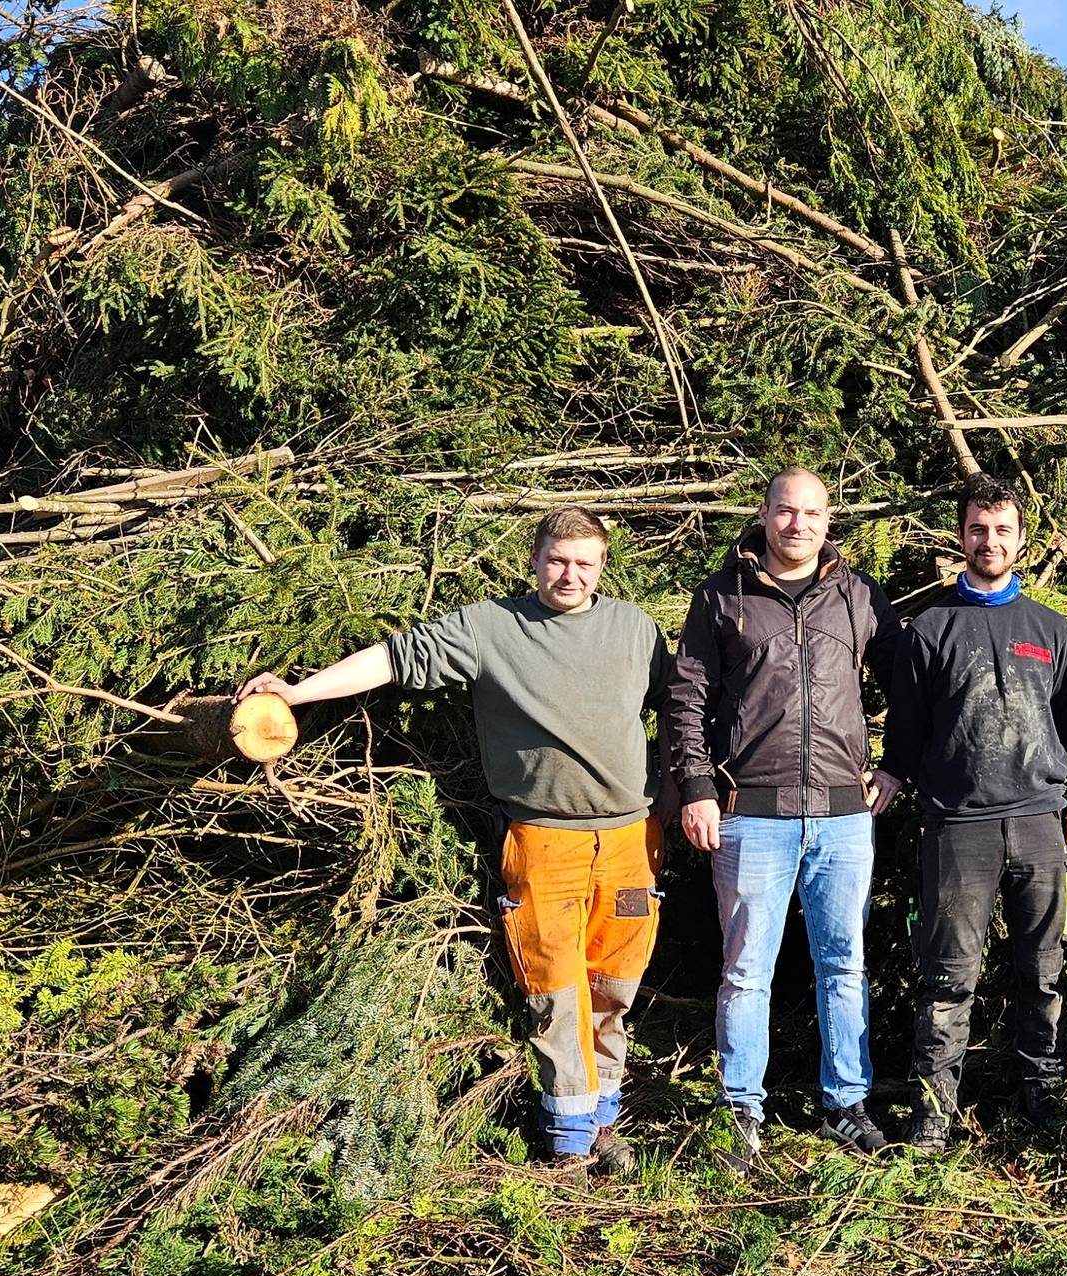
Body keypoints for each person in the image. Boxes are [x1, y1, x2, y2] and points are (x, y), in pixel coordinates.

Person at [236, 506, 669, 1179]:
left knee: (614, 986)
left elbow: (685, 709)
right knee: (555, 990)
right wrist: (297, 693)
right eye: (557, 560)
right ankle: (568, 1142)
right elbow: (394, 659)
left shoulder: (635, 629)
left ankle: (602, 1119)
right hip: (544, 840)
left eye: (585, 564)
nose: (570, 575)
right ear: (534, 560)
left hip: (631, 842)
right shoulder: (491, 627)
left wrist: (682, 792)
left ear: (602, 567)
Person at [664, 467, 904, 1167]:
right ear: (764, 514)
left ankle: (847, 1106)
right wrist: (697, 787)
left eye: (811, 513)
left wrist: (894, 766)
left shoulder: (859, 595)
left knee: (845, 965)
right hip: (751, 814)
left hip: (842, 817)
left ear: (829, 520)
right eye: (785, 511)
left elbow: (909, 686)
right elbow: (685, 699)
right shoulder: (721, 596)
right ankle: (741, 1110)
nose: (798, 524)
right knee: (745, 971)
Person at [881, 474, 1067, 1150]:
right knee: (947, 977)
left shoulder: (1052, 630)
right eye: (977, 529)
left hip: (1039, 824)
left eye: (1001, 530)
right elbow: (907, 732)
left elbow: (1063, 723)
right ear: (960, 536)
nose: (988, 541)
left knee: (1043, 972)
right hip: (957, 827)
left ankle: (1042, 1099)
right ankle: (932, 1114)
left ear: (1021, 539)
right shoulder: (930, 629)